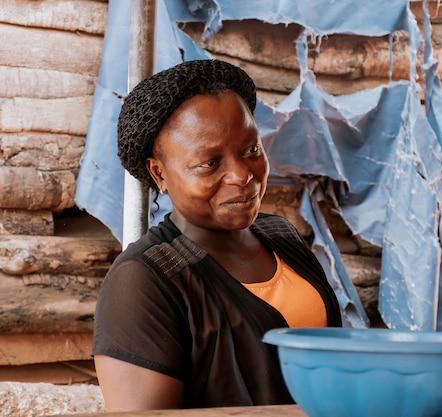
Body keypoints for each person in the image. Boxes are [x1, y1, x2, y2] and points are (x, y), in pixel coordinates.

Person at [92, 59, 342, 411]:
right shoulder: (144, 280)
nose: (242, 175)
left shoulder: (281, 236)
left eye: (251, 150)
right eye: (210, 163)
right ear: (159, 173)